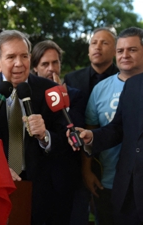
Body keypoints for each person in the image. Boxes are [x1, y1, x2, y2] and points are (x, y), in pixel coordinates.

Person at [0, 30, 72, 224]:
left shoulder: (50, 90)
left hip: (41, 192)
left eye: (24, 56)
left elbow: (66, 139)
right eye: (11, 57)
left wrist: (45, 136)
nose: (19, 63)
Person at [81, 27, 143, 225]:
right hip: (124, 187)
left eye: (132, 50)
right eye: (120, 50)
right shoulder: (131, 86)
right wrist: (92, 137)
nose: (125, 55)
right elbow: (117, 129)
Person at [64, 27, 118, 225]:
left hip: (112, 158)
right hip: (78, 155)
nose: (98, 47)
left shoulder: (124, 79)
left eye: (105, 43)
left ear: (115, 50)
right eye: (94, 42)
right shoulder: (71, 79)